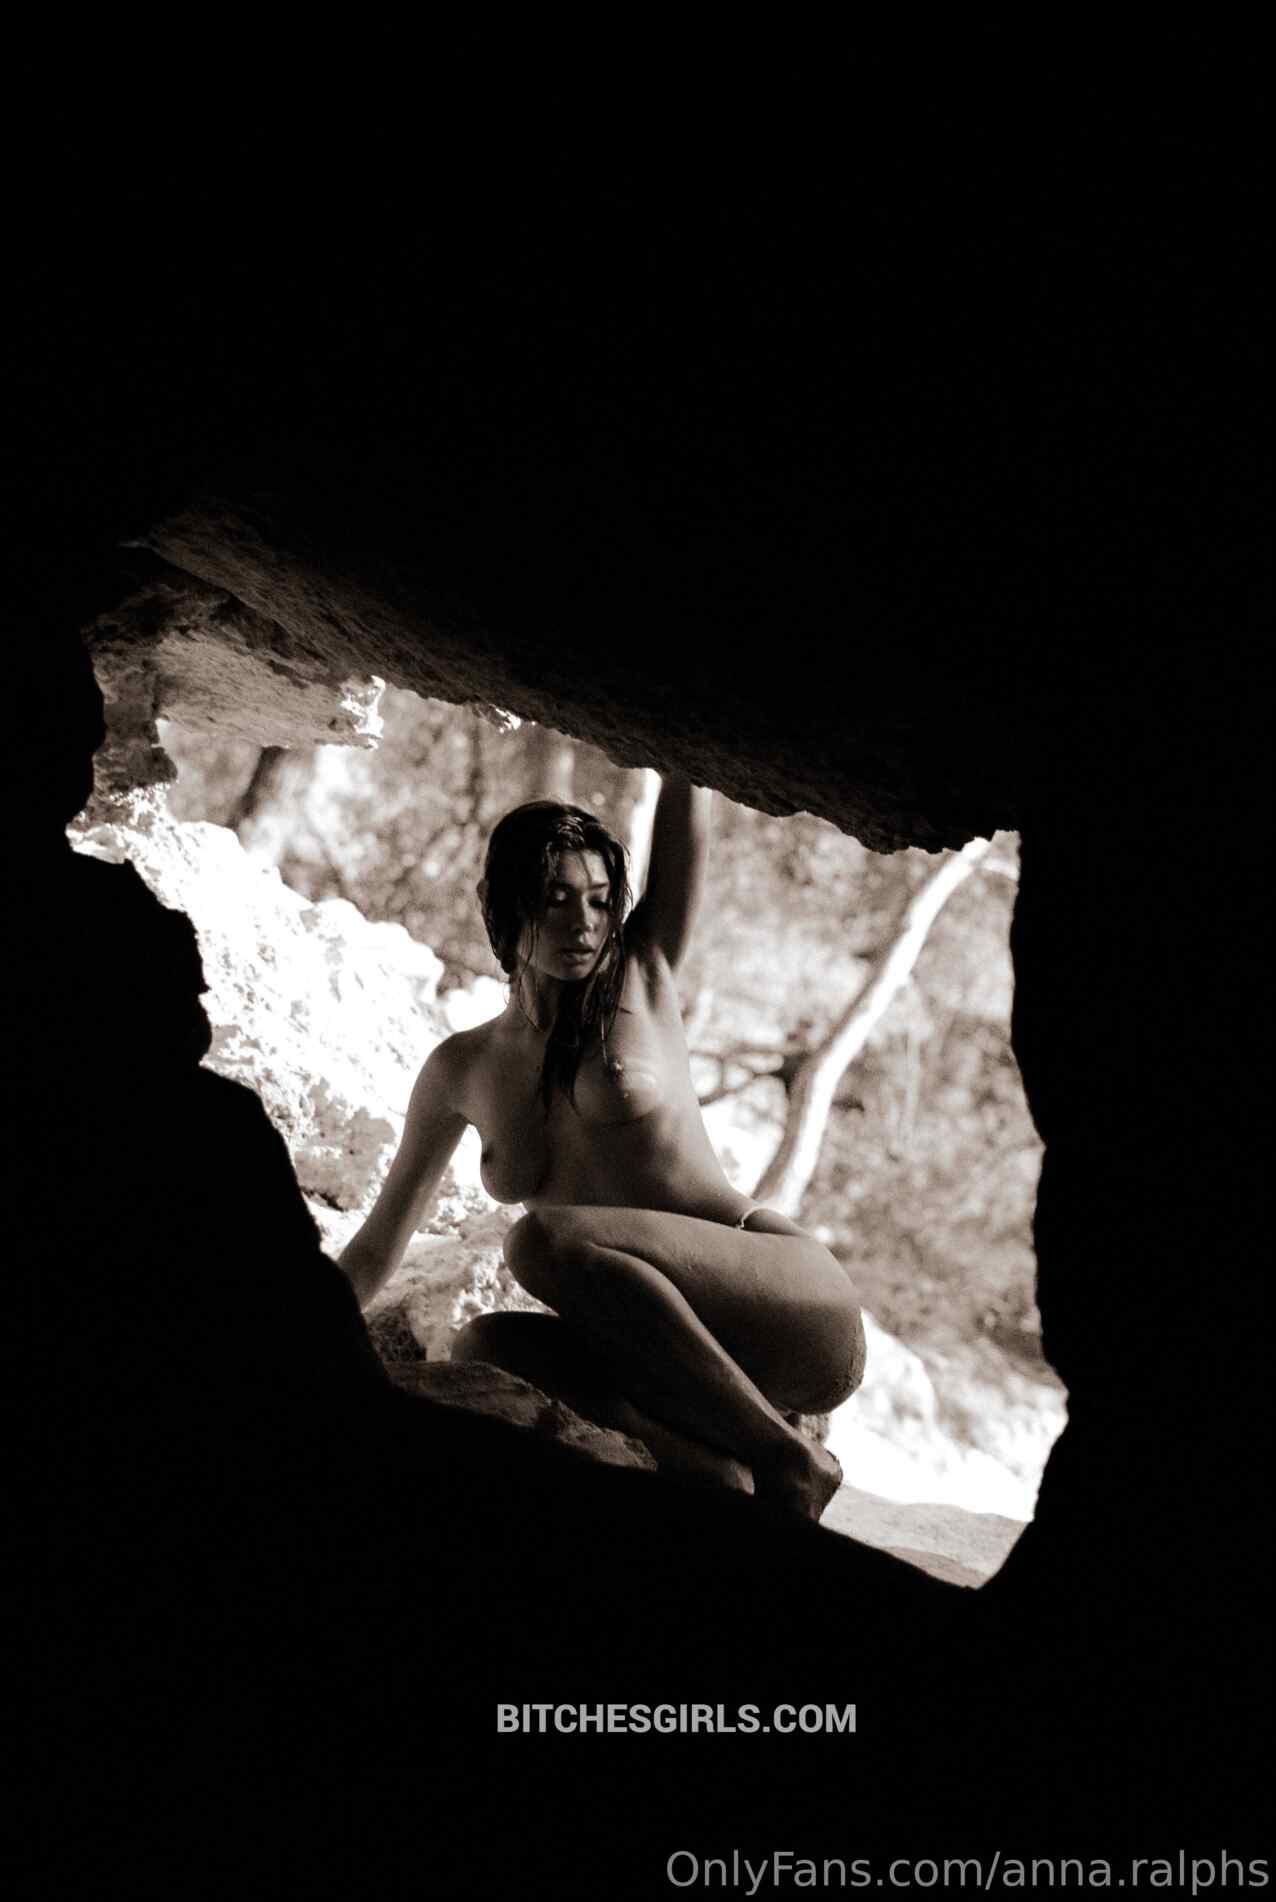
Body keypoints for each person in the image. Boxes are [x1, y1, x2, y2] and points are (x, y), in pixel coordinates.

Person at [339, 773, 865, 1519]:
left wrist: (675, 743)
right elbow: (375, 1248)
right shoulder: (460, 1069)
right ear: (502, 902)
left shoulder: (643, 971)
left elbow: (689, 796)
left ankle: (791, 1461)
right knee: (486, 1347)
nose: (582, 923)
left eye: (597, 900)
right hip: (668, 1354)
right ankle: (713, 1469)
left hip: (787, 1304)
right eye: (555, 898)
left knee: (539, 1241)